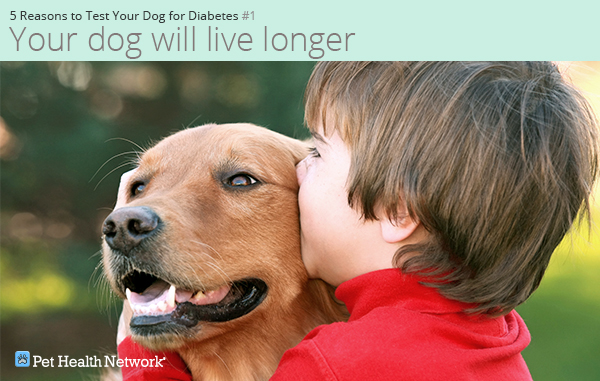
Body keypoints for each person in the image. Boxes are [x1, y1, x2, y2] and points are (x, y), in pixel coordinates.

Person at [117, 61, 599, 380]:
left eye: (319, 151)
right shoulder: (496, 340)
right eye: (140, 187)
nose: (303, 167)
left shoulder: (337, 365)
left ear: (397, 210)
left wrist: (140, 352)